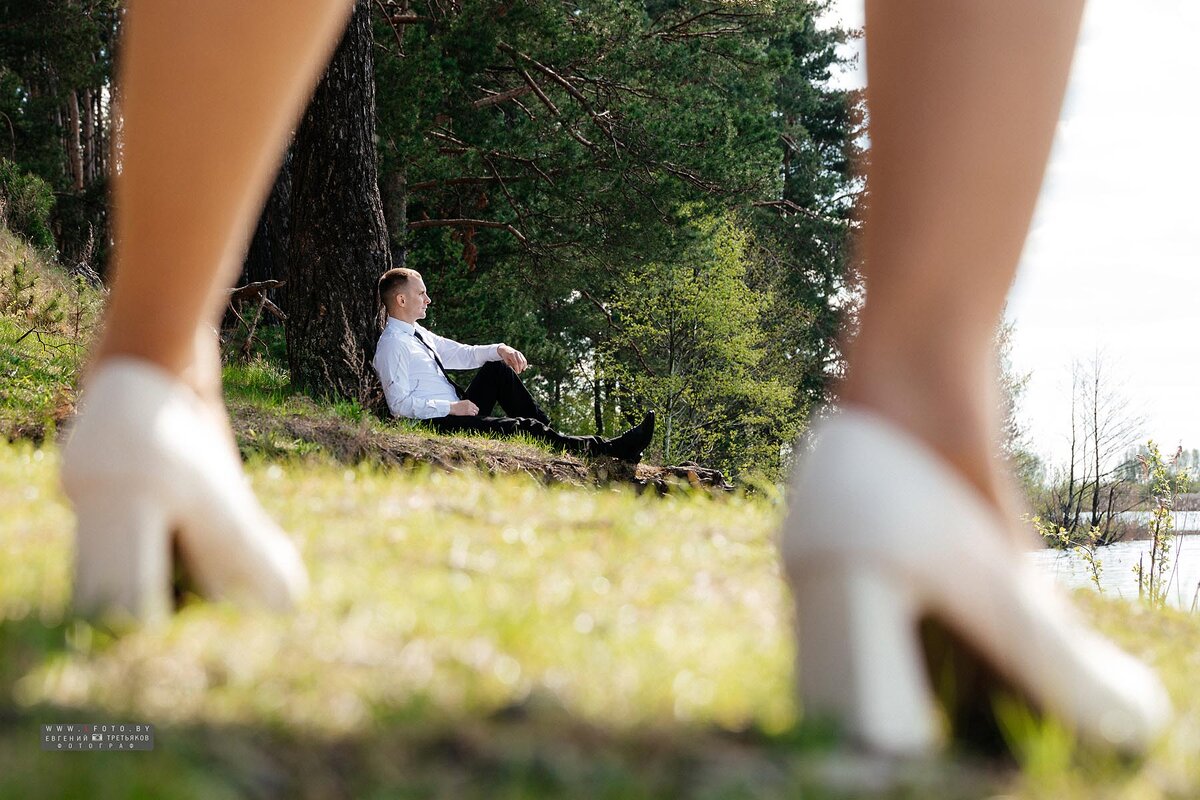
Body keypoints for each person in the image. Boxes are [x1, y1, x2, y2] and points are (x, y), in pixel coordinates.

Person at [59, 0, 1169, 758]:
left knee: (497, 378)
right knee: (503, 394)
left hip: (443, 386)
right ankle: (923, 429)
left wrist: (487, 353)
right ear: (398, 297)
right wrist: (470, 375)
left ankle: (153, 369)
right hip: (434, 407)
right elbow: (420, 376)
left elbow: (451, 352)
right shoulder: (396, 336)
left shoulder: (422, 330)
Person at [373, 268, 655, 462]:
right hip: (439, 423)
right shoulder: (392, 345)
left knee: (497, 368)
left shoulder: (418, 333)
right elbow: (399, 405)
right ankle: (611, 449)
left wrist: (499, 349)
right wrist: (452, 408)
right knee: (524, 427)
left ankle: (554, 439)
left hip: (459, 410)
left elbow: (462, 354)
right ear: (401, 299)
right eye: (421, 294)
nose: (428, 299)